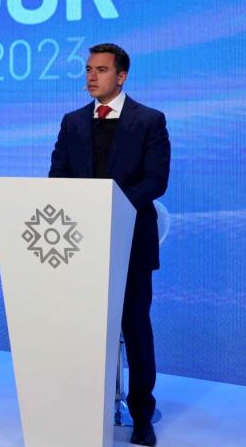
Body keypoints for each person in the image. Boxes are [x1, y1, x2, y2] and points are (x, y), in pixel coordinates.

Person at [49, 43, 170, 446]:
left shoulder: (149, 120)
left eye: (100, 70)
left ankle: (141, 415)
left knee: (136, 330)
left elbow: (156, 181)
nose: (91, 76)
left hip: (130, 242)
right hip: (78, 244)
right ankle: (82, 409)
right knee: (81, 331)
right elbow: (58, 175)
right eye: (88, 69)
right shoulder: (72, 122)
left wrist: (109, 206)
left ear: (121, 76)